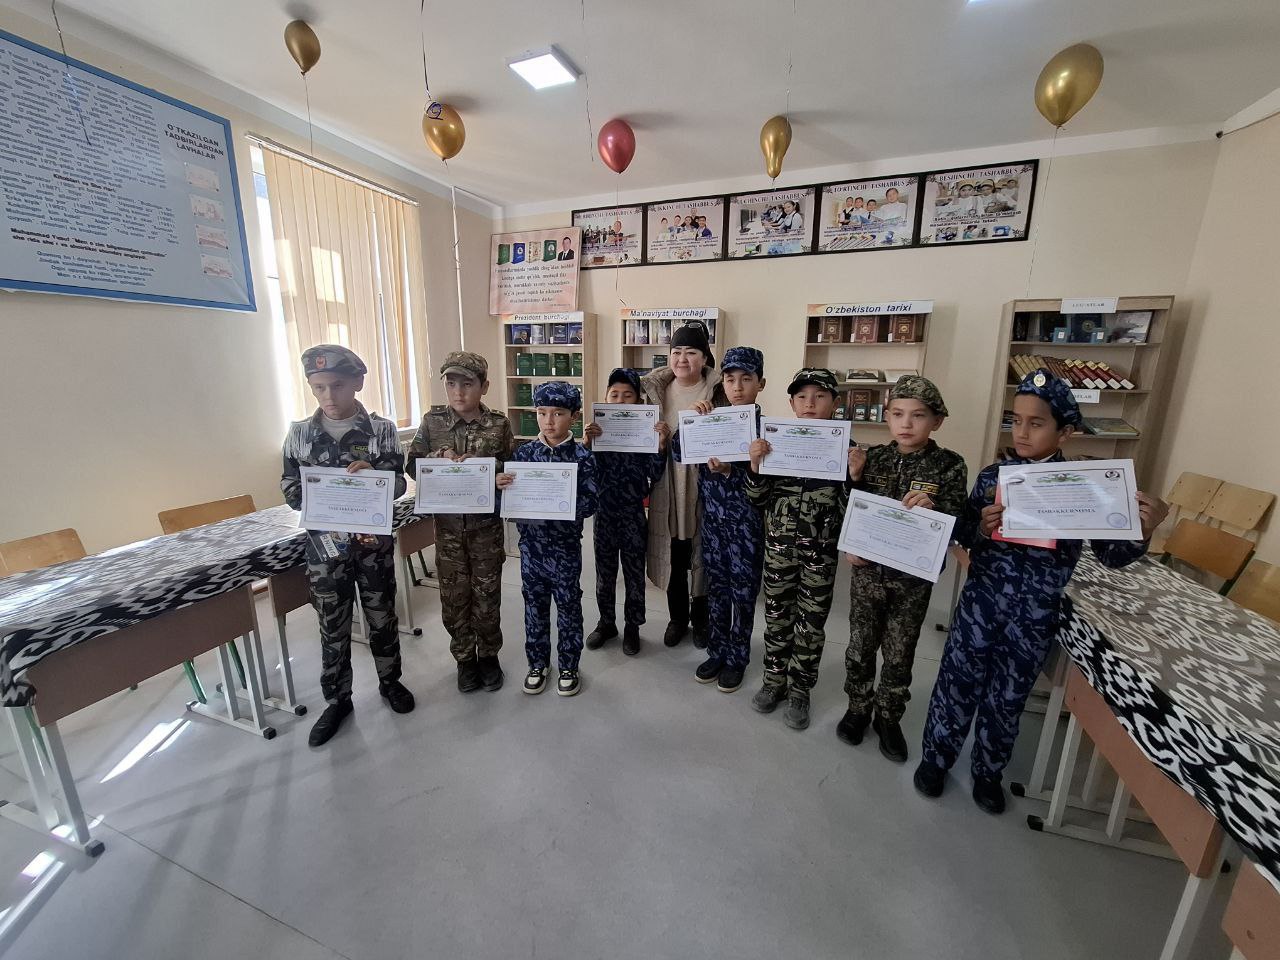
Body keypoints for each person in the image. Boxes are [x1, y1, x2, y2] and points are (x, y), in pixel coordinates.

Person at [914, 369, 1169, 814]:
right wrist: (981, 528)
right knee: (956, 683)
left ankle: (988, 771)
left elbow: (1111, 555)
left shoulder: (1084, 486)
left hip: (1034, 614)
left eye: (1036, 423)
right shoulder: (993, 477)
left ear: (1065, 432)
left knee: (1008, 696)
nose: (1022, 432)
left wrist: (1144, 529)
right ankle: (936, 759)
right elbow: (964, 533)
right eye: (1017, 421)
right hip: (981, 605)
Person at [280, 344, 414, 747]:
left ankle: (391, 682)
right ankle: (337, 700)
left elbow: (399, 483)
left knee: (382, 617)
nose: (328, 396)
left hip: (372, 547)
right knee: (332, 626)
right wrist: (320, 489)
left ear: (356, 382)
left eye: (337, 385)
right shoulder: (299, 433)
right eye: (318, 387)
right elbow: (289, 487)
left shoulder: (382, 431)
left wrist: (374, 477)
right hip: (325, 551)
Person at [838, 376, 967, 762]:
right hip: (868, 574)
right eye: (897, 414)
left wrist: (935, 510)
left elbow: (959, 522)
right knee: (860, 646)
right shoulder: (872, 457)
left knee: (900, 652)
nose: (906, 423)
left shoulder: (949, 466)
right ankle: (857, 708)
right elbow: (851, 507)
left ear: (936, 421)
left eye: (918, 415)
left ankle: (888, 717)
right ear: (887, 417)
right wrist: (854, 478)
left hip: (911, 581)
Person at [746, 368, 856, 730]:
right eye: (802, 397)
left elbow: (851, 511)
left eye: (820, 396)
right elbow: (756, 499)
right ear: (792, 403)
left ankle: (799, 689)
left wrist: (855, 477)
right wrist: (756, 465)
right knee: (777, 616)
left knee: (811, 623)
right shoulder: (776, 441)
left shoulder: (846, 449)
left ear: (835, 403)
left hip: (820, 555)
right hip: (779, 549)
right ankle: (773, 681)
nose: (810, 403)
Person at [405, 351, 515, 694]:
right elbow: (412, 466)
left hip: (486, 530)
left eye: (467, 384)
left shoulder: (498, 424)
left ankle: (489, 656)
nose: (458, 392)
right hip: (449, 531)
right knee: (454, 598)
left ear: (484, 386)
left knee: (487, 595)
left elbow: (511, 466)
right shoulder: (432, 422)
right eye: (451, 384)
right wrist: (438, 457)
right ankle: (465, 659)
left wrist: (493, 474)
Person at [497, 381, 599, 696]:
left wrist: (563, 505)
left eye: (558, 413)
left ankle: (569, 664)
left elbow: (591, 502)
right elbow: (509, 502)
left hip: (566, 548)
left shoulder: (582, 456)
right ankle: (538, 663)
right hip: (531, 549)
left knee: (568, 605)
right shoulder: (524, 454)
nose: (548, 421)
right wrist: (502, 486)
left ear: (574, 416)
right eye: (542, 413)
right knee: (534, 605)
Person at [679, 347, 767, 693]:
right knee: (716, 590)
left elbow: (768, 486)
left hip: (747, 526)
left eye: (746, 379)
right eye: (730, 379)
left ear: (761, 383)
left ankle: (737, 658)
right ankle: (717, 651)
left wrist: (734, 470)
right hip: (714, 525)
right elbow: (679, 452)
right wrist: (690, 419)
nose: (737, 387)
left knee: (743, 594)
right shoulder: (711, 418)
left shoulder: (767, 429)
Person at [640, 320, 719, 650]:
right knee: (673, 554)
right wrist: (657, 442)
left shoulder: (718, 392)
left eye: (691, 352)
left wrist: (712, 419)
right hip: (668, 484)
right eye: (676, 352)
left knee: (702, 555)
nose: (682, 359)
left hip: (703, 485)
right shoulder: (652, 393)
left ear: (705, 358)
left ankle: (701, 620)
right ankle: (677, 618)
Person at [584, 368, 670, 656]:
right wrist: (587, 445)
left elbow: (654, 474)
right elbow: (586, 474)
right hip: (604, 513)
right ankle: (606, 623)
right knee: (604, 573)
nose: (620, 400)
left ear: (638, 400)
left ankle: (633, 627)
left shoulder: (645, 430)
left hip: (633, 513)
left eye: (627, 395)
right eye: (614, 395)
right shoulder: (597, 430)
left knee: (634, 574)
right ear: (606, 397)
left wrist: (660, 446)